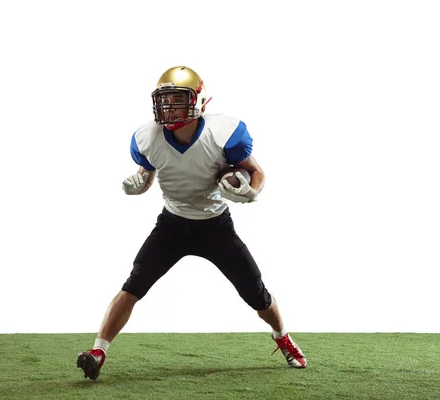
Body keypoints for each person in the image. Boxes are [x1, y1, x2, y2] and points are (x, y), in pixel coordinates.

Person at [77, 66, 307, 380]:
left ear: (199, 101)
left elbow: (256, 171)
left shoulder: (224, 132)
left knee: (256, 292)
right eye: (165, 99)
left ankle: (282, 336)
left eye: (177, 98)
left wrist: (252, 191)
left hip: (216, 227)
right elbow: (148, 174)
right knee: (133, 285)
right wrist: (139, 183)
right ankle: (98, 351)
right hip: (171, 225)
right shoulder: (147, 137)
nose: (170, 106)